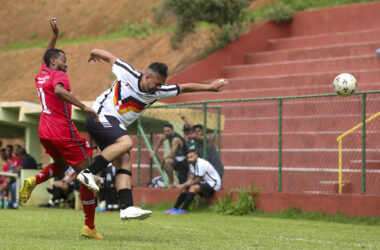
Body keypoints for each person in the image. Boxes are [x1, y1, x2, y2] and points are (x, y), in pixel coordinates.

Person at [77, 48, 228, 221]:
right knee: (127, 142)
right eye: (156, 83)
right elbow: (110, 57)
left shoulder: (159, 90)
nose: (158, 88)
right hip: (98, 116)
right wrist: (93, 52)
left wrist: (209, 87)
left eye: (161, 84)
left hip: (112, 126)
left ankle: (126, 208)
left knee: (125, 162)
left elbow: (184, 87)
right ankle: (89, 172)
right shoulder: (128, 73)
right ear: (146, 77)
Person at [18, 18, 103, 239]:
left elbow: (47, 55)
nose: (67, 64)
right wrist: (84, 106)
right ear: (55, 62)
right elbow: (58, 90)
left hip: (44, 130)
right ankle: (89, 226)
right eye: (64, 60)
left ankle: (34, 180)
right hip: (62, 129)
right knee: (86, 174)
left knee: (61, 165)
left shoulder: (43, 73)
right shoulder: (58, 75)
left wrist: (55, 36)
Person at [165, 150, 222, 214]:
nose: (189, 159)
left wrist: (183, 185)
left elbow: (198, 179)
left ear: (196, 156)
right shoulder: (192, 164)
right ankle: (175, 208)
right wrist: (183, 186)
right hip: (205, 183)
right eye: (188, 158)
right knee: (186, 188)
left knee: (193, 188)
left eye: (191, 157)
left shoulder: (201, 163)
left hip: (214, 184)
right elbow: (191, 178)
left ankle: (183, 210)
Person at [178, 112, 224, 179]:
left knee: (213, 188)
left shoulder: (207, 139)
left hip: (215, 168)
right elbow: (193, 128)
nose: (197, 133)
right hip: (206, 169)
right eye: (195, 131)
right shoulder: (197, 145)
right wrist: (183, 118)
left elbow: (197, 136)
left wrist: (190, 136)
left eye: (199, 131)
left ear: (203, 132)